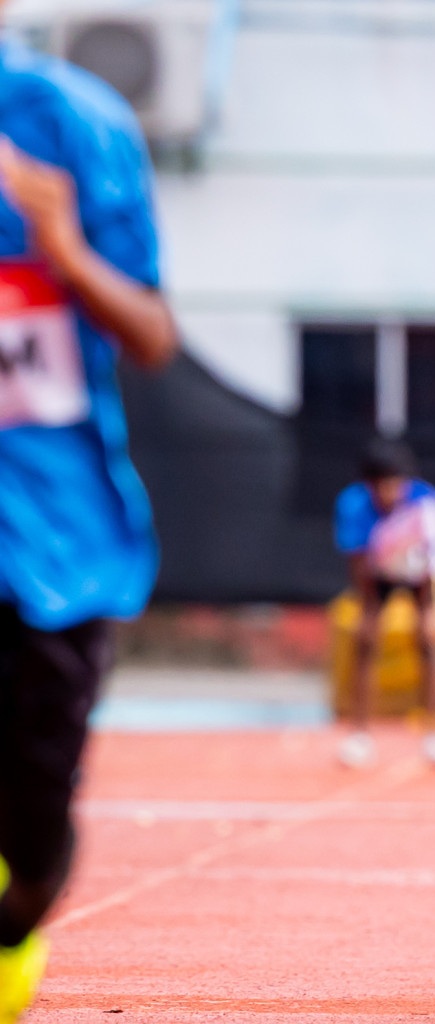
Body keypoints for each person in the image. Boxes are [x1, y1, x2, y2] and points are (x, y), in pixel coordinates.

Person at [0, 28, 180, 1024]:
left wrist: (62, 251)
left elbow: (153, 335)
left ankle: (15, 921)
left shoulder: (72, 124)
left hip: (54, 547)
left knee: (33, 832)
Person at [333, 439, 435, 769]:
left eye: (393, 484)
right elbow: (358, 564)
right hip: (378, 573)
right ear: (368, 486)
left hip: (421, 574)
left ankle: (434, 736)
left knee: (430, 638)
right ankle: (359, 735)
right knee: (365, 637)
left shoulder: (427, 503)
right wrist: (369, 610)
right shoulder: (353, 504)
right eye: (380, 486)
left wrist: (429, 610)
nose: (388, 493)